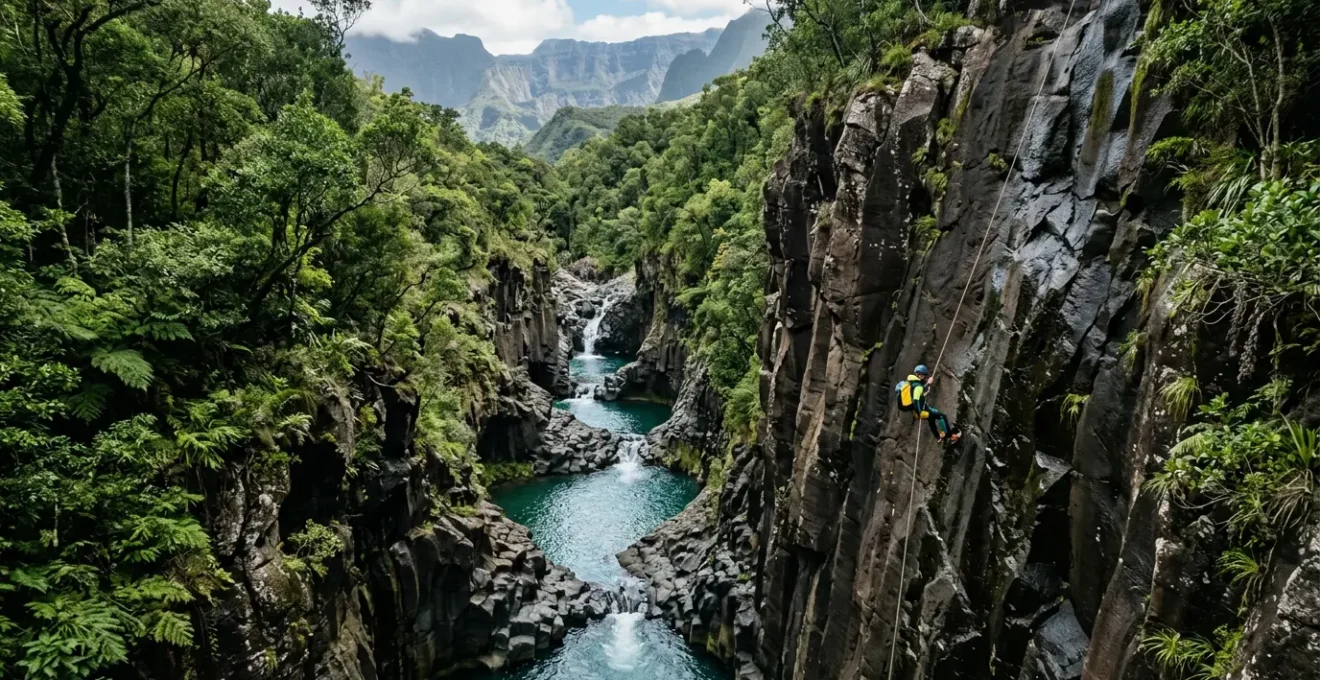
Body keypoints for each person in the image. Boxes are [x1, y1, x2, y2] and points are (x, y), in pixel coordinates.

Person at [893, 364, 961, 444]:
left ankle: (938, 437)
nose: (924, 378)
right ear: (920, 375)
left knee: (931, 418)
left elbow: (919, 391)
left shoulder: (910, 383)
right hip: (920, 411)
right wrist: (920, 412)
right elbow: (916, 399)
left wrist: (928, 384)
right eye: (924, 376)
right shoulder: (917, 386)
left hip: (913, 412)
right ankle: (951, 437)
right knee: (941, 416)